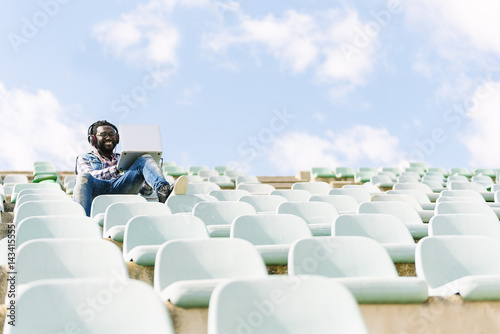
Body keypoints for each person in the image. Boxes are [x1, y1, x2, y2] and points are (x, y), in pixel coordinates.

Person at [73, 120, 187, 216]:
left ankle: (163, 190)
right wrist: (118, 168)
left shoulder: (125, 159)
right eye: (103, 134)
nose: (108, 137)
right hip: (98, 190)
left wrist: (149, 171)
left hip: (122, 188)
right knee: (83, 177)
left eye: (112, 134)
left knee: (145, 158)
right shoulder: (85, 158)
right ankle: (84, 221)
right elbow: (88, 178)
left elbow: (145, 192)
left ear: (116, 138)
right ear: (92, 139)